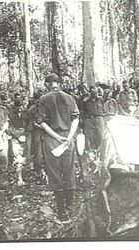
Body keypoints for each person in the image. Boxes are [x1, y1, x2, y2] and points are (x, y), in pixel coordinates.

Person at [37, 73, 79, 220]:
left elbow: (42, 122)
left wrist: (57, 137)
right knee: (69, 172)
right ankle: (70, 208)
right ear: (58, 83)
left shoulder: (43, 99)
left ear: (47, 84)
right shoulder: (70, 98)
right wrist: (69, 137)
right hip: (68, 139)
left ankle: (61, 212)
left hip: (52, 139)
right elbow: (76, 118)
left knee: (55, 174)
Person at [81, 85, 105, 151]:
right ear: (90, 93)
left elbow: (103, 108)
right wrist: (84, 122)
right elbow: (82, 113)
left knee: (101, 136)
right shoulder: (85, 101)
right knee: (89, 137)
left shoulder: (100, 99)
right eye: (93, 93)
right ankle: (90, 153)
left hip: (99, 119)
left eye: (96, 93)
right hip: (89, 120)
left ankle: (100, 152)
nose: (95, 94)